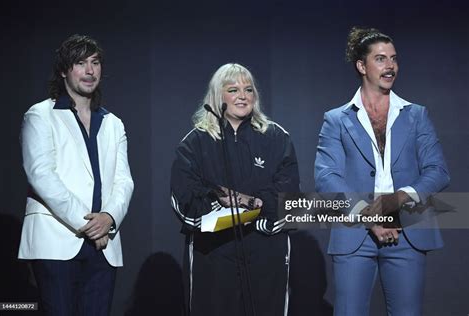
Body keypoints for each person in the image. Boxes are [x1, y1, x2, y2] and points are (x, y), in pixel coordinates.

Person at [314, 27, 450, 315]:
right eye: (380, 59)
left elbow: (438, 171)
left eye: (394, 58)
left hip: (408, 231)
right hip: (355, 234)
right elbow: (327, 177)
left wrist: (399, 197)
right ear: (361, 66)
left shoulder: (416, 114)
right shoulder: (336, 119)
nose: (390, 66)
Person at [170, 63, 300, 316]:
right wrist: (220, 206)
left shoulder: (277, 137)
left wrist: (249, 204)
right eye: (233, 89)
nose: (243, 96)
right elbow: (184, 199)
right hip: (214, 253)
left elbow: (288, 193)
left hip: (265, 251)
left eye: (248, 89)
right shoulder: (195, 142)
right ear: (218, 96)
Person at [18, 34, 134, 316]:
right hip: (57, 239)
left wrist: (109, 218)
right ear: (63, 70)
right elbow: (42, 176)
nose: (90, 71)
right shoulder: (40, 115)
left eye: (95, 63)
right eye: (80, 63)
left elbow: (124, 181)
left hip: (104, 244)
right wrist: (90, 225)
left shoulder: (112, 123)